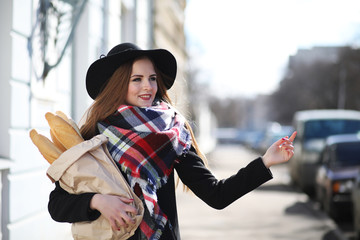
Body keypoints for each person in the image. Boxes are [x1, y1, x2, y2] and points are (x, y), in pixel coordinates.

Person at [48, 42, 297, 240]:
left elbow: (216, 195)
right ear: (118, 85)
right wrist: (98, 201)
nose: (148, 86)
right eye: (137, 79)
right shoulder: (94, 136)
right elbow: (57, 205)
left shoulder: (173, 135)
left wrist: (265, 162)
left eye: (152, 78)